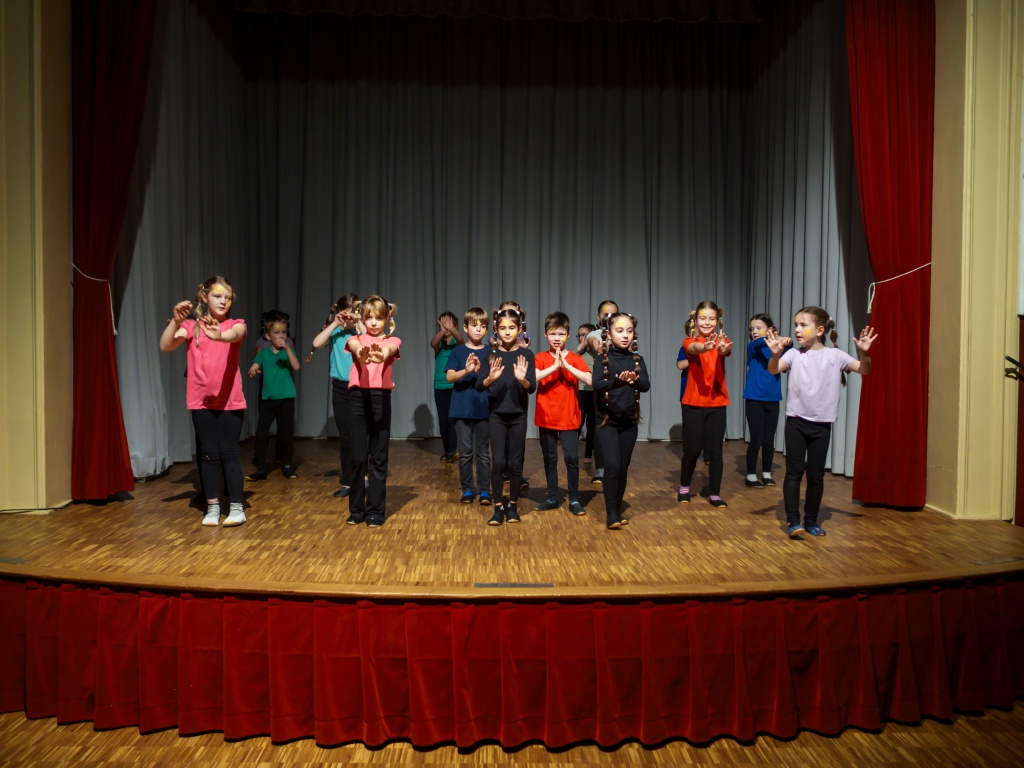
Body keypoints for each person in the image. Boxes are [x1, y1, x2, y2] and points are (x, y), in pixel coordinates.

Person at [767, 306, 876, 538]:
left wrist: (864, 353)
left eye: (803, 325)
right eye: (796, 325)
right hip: (796, 422)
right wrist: (775, 354)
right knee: (794, 472)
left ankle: (811, 521)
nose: (797, 330)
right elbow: (774, 369)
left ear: (819, 330)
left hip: (821, 426)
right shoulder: (793, 355)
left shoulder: (835, 356)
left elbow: (864, 370)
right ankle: (793, 521)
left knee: (816, 475)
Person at [159, 276, 248, 527]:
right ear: (204, 297)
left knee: (229, 454)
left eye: (228, 297)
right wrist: (176, 321)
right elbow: (165, 345)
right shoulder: (190, 326)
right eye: (217, 295)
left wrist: (219, 336)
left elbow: (234, 334)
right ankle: (212, 507)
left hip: (230, 401)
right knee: (209, 455)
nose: (223, 301)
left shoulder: (236, 324)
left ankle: (237, 508)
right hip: (200, 402)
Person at [345, 295, 401, 528]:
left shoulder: (392, 339)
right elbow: (355, 347)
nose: (374, 322)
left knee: (378, 457)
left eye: (379, 318)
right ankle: (357, 509)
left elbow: (390, 349)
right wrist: (362, 354)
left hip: (380, 398)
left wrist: (382, 355)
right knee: (358, 458)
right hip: (357, 398)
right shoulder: (355, 339)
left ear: (387, 318)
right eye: (369, 318)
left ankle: (376, 511)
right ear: (362, 318)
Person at [477, 306, 536, 525]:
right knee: (499, 462)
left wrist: (522, 380)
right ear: (496, 329)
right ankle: (497, 508)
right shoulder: (490, 354)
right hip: (497, 415)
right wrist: (490, 378)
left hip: (518, 415)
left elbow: (532, 387)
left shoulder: (526, 354)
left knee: (515, 463)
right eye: (503, 328)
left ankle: (512, 506)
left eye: (512, 327)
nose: (507, 332)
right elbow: (479, 385)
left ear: (520, 329)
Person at [592, 312, 650, 529]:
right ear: (609, 334)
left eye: (629, 331)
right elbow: (597, 384)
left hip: (629, 421)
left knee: (623, 468)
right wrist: (618, 381)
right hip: (606, 421)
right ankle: (611, 513)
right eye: (620, 331)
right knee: (612, 466)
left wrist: (633, 381)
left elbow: (645, 385)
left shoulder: (637, 360)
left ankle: (616, 509)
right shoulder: (602, 360)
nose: (625, 335)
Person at [534, 312, 591, 515]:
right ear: (545, 334)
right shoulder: (540, 357)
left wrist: (566, 366)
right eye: (552, 334)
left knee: (571, 458)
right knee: (549, 458)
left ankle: (574, 498)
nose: (556, 338)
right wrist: (554, 367)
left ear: (567, 334)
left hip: (569, 416)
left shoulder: (575, 358)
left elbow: (589, 379)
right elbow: (533, 378)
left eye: (561, 334)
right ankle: (552, 497)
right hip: (546, 416)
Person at [678, 300, 732, 508]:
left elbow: (724, 351)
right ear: (695, 320)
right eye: (703, 318)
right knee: (692, 450)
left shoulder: (722, 340)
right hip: (693, 403)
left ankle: (715, 493)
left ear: (718, 321)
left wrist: (722, 349)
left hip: (717, 404)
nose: (707, 322)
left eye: (712, 318)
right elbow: (694, 348)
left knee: (716, 452)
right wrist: (705, 347)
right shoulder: (689, 341)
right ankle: (684, 487)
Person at [311, 294, 360, 498]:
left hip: (359, 388)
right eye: (345, 313)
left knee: (360, 435)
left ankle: (363, 477)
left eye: (352, 313)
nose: (348, 317)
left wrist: (358, 321)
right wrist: (335, 324)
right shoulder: (336, 331)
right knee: (345, 436)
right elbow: (316, 343)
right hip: (340, 388)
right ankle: (348, 481)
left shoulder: (361, 331)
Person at [445, 308, 492, 505]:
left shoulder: (490, 352)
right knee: (465, 453)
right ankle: (467, 489)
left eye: (483, 326)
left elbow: (493, 380)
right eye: (474, 325)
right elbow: (449, 376)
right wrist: (466, 370)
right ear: (465, 328)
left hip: (484, 408)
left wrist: (481, 372)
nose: (478, 329)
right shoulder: (457, 351)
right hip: (462, 409)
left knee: (483, 453)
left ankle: (484, 490)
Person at [247, 314, 301, 480]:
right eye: (277, 333)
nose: (281, 336)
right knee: (261, 434)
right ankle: (261, 468)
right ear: (268, 336)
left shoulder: (288, 351)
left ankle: (287, 466)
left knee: (285, 435)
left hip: (286, 399)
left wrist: (287, 349)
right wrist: (253, 370)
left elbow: (296, 366)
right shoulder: (263, 353)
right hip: (268, 400)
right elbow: (254, 366)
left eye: (284, 332)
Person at [743, 313, 785, 488]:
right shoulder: (753, 346)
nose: (754, 331)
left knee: (769, 440)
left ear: (770, 328)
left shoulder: (777, 348)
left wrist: (785, 341)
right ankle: (751, 475)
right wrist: (775, 337)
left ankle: (767, 473)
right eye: (752, 328)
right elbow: (758, 343)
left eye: (758, 328)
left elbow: (789, 350)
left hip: (773, 399)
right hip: (754, 399)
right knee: (756, 439)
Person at [585, 299, 619, 484]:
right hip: (601, 388)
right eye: (605, 314)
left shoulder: (622, 333)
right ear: (598, 317)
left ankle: (615, 466)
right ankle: (600, 467)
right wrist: (600, 346)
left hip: (619, 387)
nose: (609, 317)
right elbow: (593, 342)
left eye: (613, 314)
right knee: (600, 426)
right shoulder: (595, 334)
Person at [431, 312, 464, 461]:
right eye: (442, 324)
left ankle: (452, 451)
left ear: (455, 325)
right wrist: (443, 330)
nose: (445, 326)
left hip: (454, 386)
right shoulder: (439, 344)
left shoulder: (457, 344)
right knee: (443, 420)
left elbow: (461, 339)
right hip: (440, 386)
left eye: (449, 323)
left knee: (453, 420)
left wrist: (451, 329)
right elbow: (433, 343)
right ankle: (447, 450)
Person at [575, 323, 597, 464]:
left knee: (592, 425)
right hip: (580, 392)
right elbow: (568, 361)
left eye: (584, 335)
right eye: (579, 335)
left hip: (594, 392)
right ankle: (572, 452)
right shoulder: (578, 354)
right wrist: (579, 348)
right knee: (577, 423)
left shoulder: (596, 353)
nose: (581, 338)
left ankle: (588, 454)